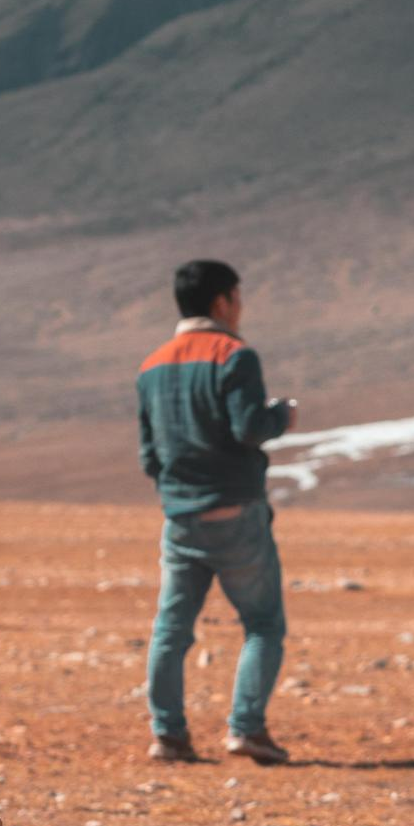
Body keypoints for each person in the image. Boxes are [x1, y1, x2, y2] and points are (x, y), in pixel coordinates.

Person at [137, 258, 296, 764]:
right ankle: (246, 729)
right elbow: (250, 427)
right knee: (263, 623)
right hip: (235, 513)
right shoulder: (234, 356)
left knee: (171, 629)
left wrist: (177, 490)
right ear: (222, 301)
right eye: (238, 298)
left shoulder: (152, 365)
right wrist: (281, 416)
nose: (240, 308)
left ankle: (168, 734)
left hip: (180, 516)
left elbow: (149, 455)